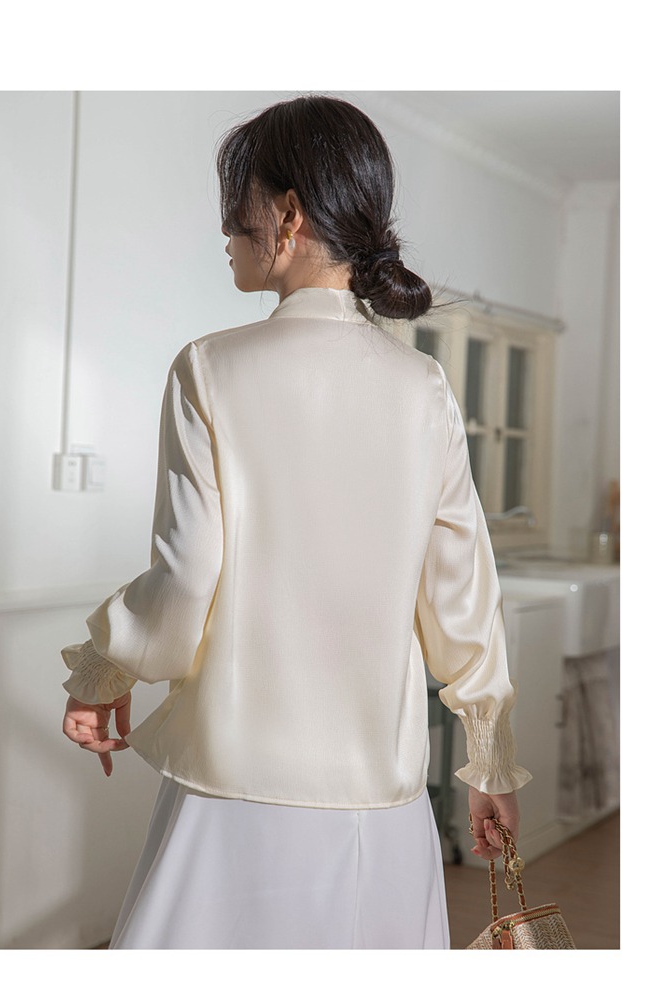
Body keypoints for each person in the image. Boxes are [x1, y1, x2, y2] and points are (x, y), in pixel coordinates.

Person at [60, 94, 532, 949]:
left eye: (237, 200)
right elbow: (462, 600)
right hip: (381, 809)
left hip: (232, 796)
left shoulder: (209, 369)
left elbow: (183, 585)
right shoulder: (423, 389)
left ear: (288, 213)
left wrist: (103, 671)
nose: (225, 227)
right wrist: (489, 760)